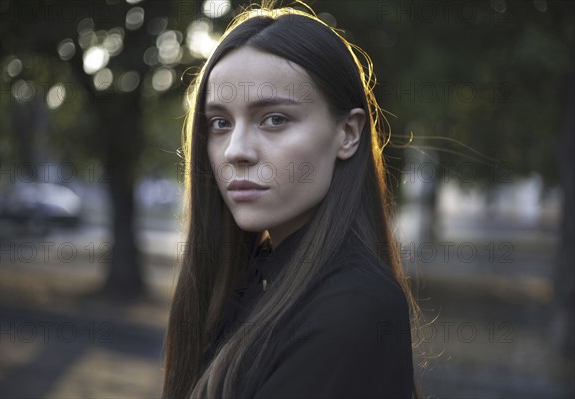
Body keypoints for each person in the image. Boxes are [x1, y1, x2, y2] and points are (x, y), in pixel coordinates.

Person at [162, 3, 420, 398]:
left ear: (348, 134)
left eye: (275, 119)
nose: (236, 151)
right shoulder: (251, 282)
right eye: (220, 123)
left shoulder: (353, 307)